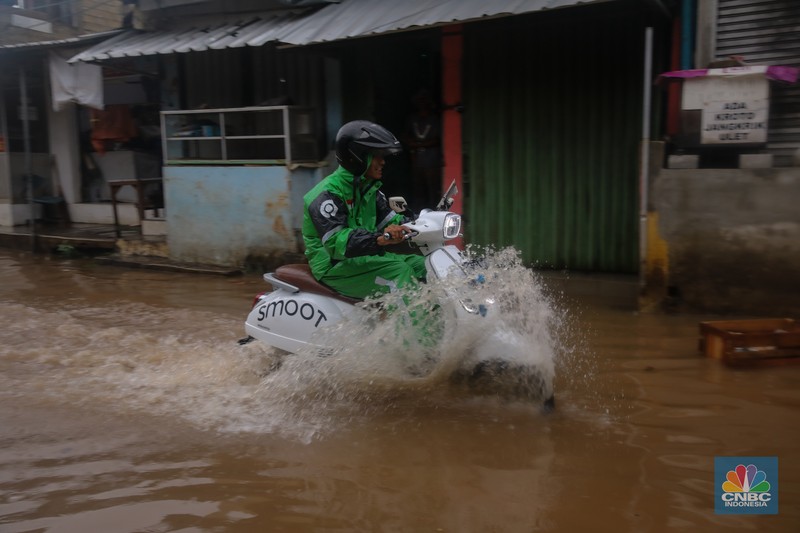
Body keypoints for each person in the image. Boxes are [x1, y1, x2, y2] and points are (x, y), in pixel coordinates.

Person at [302, 120, 426, 300]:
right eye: (377, 156)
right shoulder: (325, 196)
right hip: (335, 266)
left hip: (365, 259)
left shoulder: (370, 190)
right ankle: (412, 328)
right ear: (358, 156)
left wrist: (423, 222)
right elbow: (338, 244)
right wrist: (381, 238)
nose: (383, 162)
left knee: (425, 265)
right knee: (399, 272)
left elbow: (393, 221)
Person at [404, 89, 442, 209]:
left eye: (424, 100)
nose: (422, 104)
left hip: (432, 161)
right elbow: (405, 136)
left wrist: (418, 144)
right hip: (417, 160)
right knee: (418, 189)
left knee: (433, 189)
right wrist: (413, 145)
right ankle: (417, 215)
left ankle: (434, 214)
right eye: (419, 101)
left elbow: (438, 139)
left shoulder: (434, 119)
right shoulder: (412, 119)